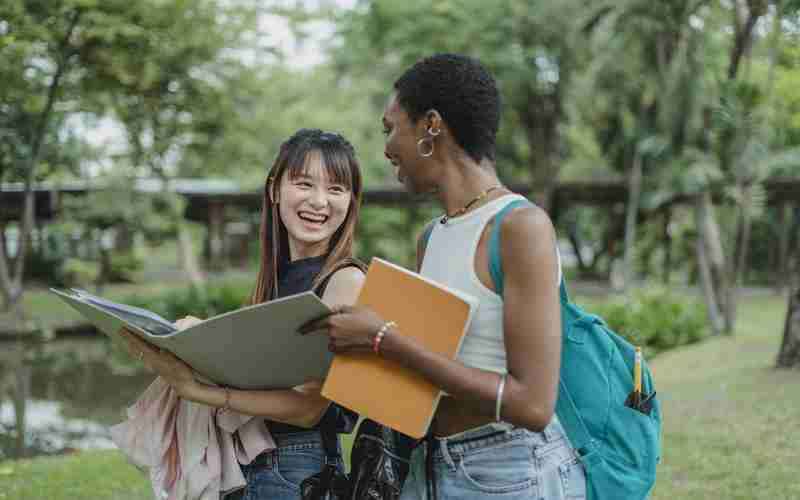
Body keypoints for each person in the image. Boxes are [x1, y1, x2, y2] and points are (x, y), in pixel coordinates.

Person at [301, 54, 587, 499]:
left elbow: (532, 405)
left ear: (431, 125)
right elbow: (426, 368)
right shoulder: (432, 236)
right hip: (432, 465)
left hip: (509, 470)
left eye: (390, 128)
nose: (386, 147)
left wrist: (384, 339)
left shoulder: (519, 227)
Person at [121, 128, 366, 500]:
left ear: (350, 201)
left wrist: (199, 391)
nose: (320, 201)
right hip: (253, 459)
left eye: (336, 189)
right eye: (304, 184)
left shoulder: (345, 280)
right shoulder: (275, 280)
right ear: (274, 189)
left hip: (298, 467)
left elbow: (309, 407)